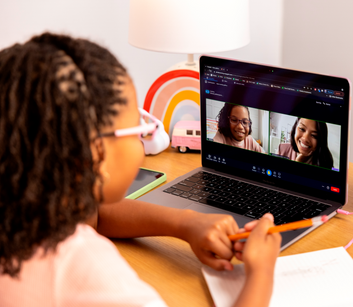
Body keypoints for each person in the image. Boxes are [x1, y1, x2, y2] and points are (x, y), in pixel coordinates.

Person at [0, 33, 281, 307]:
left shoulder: (28, 213)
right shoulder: (86, 268)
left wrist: (184, 222)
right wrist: (261, 276)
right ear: (95, 154)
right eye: (139, 128)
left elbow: (95, 213)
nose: (146, 138)